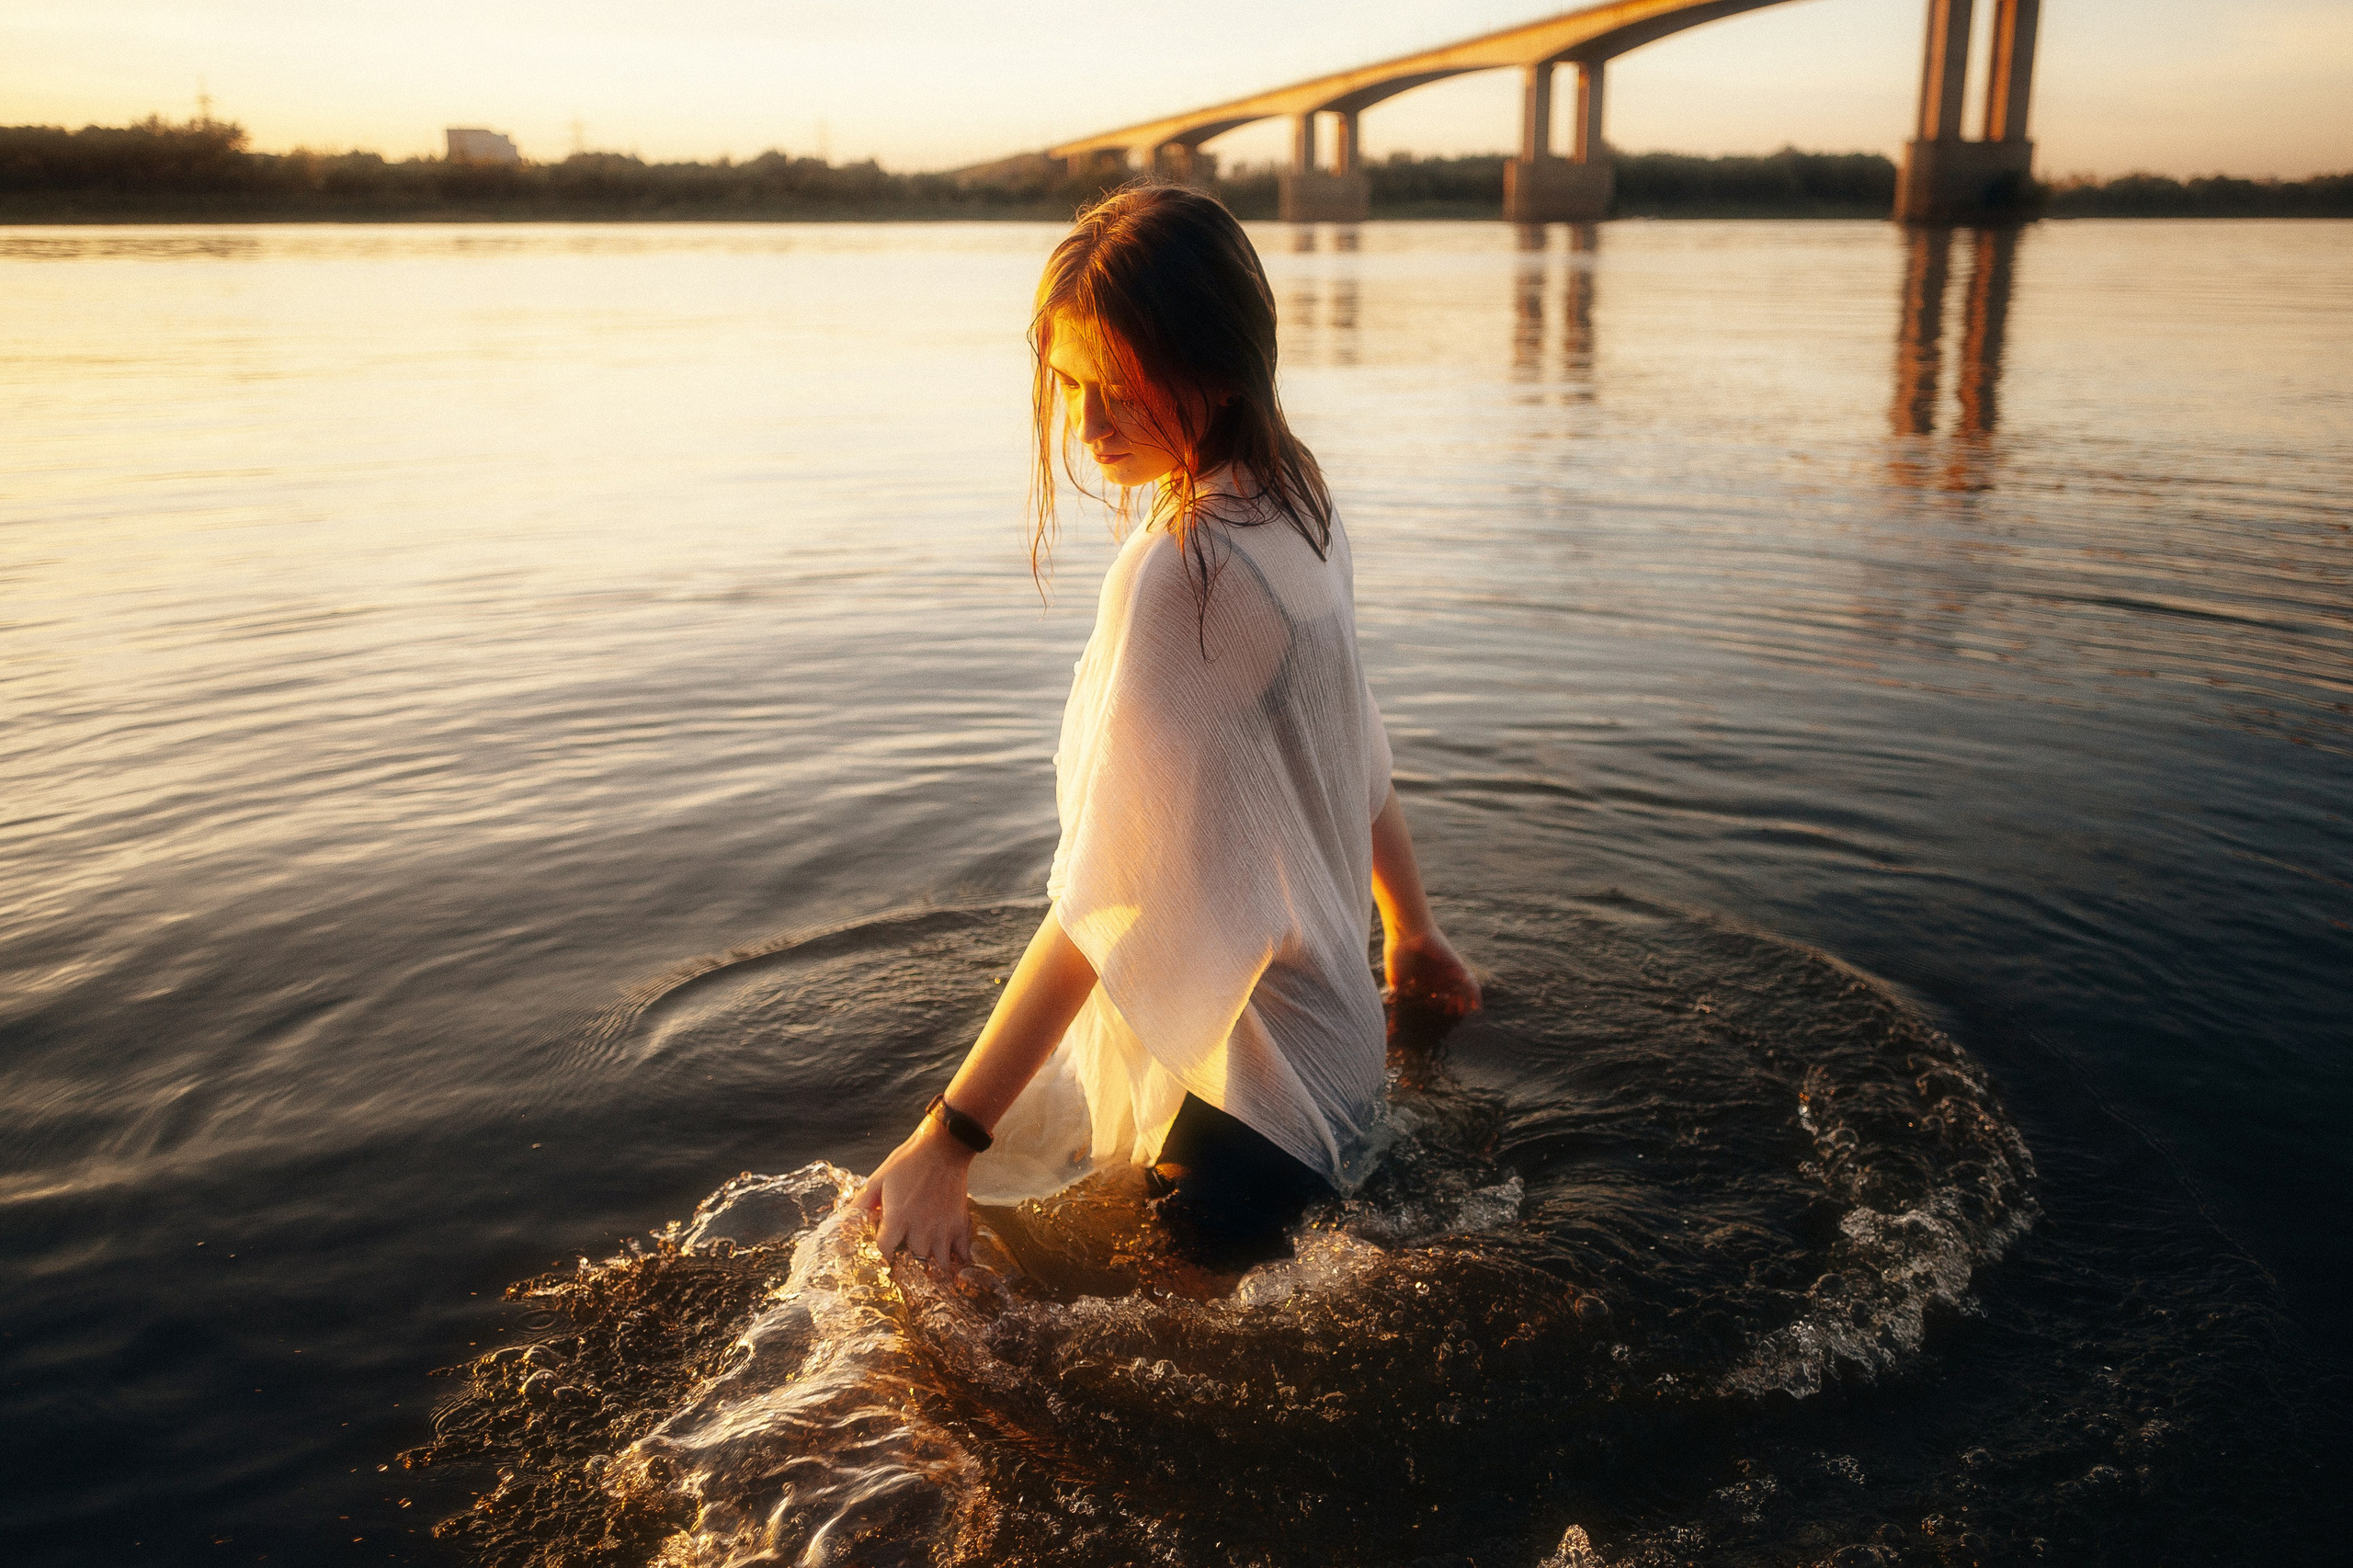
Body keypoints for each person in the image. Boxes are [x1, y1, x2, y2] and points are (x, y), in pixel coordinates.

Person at [854, 184, 1478, 1269]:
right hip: (1341, 1069)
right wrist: (1412, 931)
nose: (1089, 428)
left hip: (1247, 1126)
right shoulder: (1300, 499)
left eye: (1121, 392)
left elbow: (1106, 898)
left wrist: (945, 1139)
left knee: (953, 1360)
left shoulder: (1186, 570)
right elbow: (1360, 752)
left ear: (1217, 365)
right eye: (1072, 388)